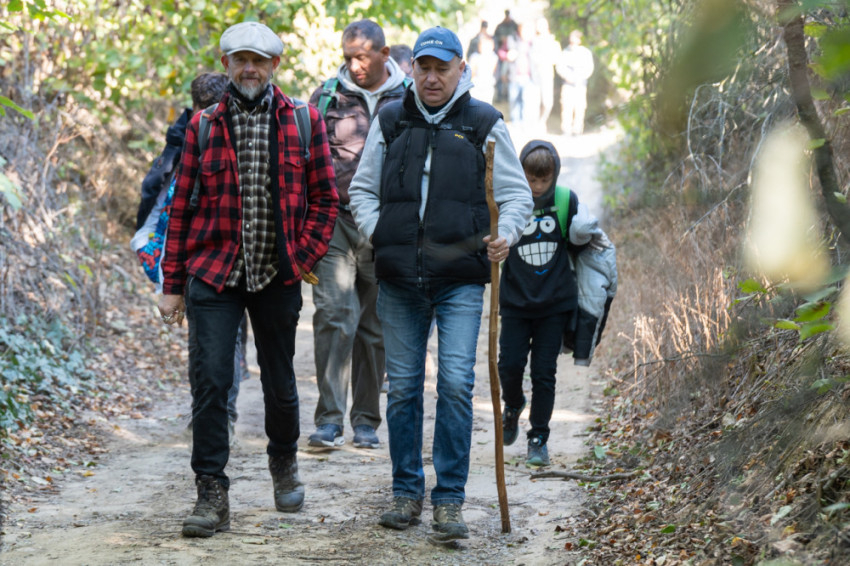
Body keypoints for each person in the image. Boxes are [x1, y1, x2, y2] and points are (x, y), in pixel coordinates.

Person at [348, 26, 533, 542]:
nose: (431, 78)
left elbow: (517, 196)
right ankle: (406, 492)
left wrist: (506, 234)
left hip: (461, 280)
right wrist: (381, 233)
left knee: (454, 385)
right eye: (424, 68)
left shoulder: (483, 123)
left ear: (460, 70)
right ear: (412, 69)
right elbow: (362, 190)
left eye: (441, 68)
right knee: (404, 388)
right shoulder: (391, 120)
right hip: (400, 279)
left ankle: (449, 500)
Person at [158, 21, 339, 538]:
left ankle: (284, 461)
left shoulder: (303, 119)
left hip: (277, 274)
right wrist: (172, 285)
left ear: (275, 65)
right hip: (213, 273)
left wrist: (302, 257)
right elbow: (180, 208)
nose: (250, 69)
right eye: (241, 60)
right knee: (211, 382)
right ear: (227, 64)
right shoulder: (202, 126)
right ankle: (210, 492)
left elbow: (326, 199)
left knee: (280, 381)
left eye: (259, 60)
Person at [306, 20, 409, 450]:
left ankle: (366, 420)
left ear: (385, 54)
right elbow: (305, 159)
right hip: (335, 223)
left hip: (386, 227)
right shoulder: (326, 97)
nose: (354, 65)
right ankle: (329, 420)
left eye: (362, 56)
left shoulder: (411, 97)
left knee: (375, 324)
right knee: (334, 315)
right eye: (348, 57)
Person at [132, 72, 248, 443]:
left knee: (226, 340)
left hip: (237, 256)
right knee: (205, 343)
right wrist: (150, 248)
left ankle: (222, 415)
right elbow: (158, 199)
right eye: (204, 109)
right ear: (195, 107)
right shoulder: (181, 142)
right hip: (193, 258)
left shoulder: (245, 133)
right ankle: (209, 413)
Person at [498, 140, 613, 467]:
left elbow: (580, 246)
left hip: (554, 303)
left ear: (554, 175)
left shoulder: (565, 200)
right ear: (520, 172)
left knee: (544, 373)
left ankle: (538, 437)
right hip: (515, 301)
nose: (537, 186)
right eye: (531, 179)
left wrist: (585, 233)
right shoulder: (508, 199)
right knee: (509, 365)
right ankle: (513, 404)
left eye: (543, 180)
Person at [556, 30, 594, 136]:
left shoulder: (585, 53)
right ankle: (566, 129)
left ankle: (577, 129)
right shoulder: (565, 52)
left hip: (580, 84)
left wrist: (579, 77)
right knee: (566, 106)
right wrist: (567, 76)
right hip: (567, 83)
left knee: (580, 107)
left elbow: (589, 68)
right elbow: (560, 66)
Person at [530, 18, 561, 131]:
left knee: (548, 102)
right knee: (535, 101)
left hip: (547, 74)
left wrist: (545, 59)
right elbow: (532, 58)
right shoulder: (534, 41)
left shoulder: (553, 41)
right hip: (534, 75)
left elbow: (556, 58)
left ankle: (542, 121)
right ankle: (535, 124)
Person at [492, 9, 519, 102]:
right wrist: (501, 39)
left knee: (511, 75)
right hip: (502, 54)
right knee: (500, 75)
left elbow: (518, 38)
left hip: (513, 55)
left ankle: (508, 95)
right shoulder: (500, 26)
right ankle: (500, 95)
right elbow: (495, 39)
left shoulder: (514, 25)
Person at [469, 32, 497, 104]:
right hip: (476, 86)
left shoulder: (494, 57)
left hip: (488, 86)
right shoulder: (475, 57)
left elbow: (494, 71)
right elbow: (472, 71)